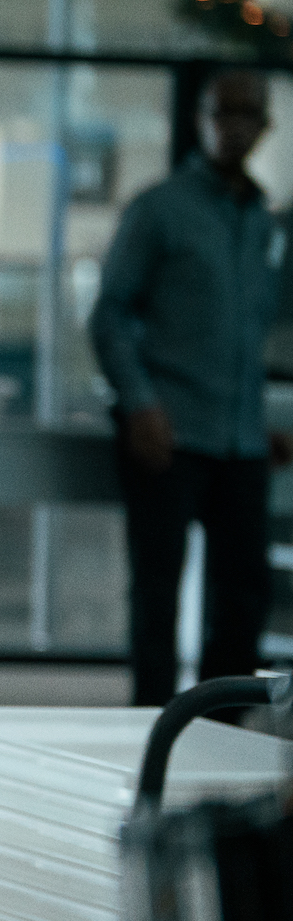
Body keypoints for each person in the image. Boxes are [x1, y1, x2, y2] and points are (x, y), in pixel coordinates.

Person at [90, 69, 287, 711]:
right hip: (166, 435)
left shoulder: (262, 222)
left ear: (265, 126)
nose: (233, 125)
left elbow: (253, 329)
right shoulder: (159, 209)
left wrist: (259, 422)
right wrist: (140, 402)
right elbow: (110, 315)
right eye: (221, 111)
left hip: (240, 442)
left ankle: (216, 728)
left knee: (243, 595)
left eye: (247, 113)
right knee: (157, 591)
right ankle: (149, 728)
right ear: (201, 119)